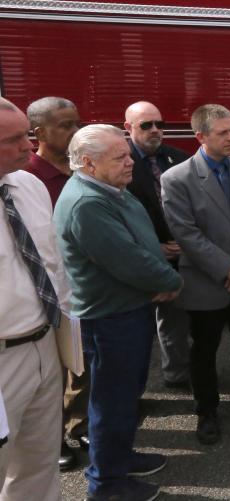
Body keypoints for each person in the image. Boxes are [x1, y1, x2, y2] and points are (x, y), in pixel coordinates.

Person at [55, 123, 182, 501]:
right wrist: (170, 281)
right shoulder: (87, 203)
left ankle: (120, 458)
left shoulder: (110, 188)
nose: (131, 162)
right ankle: (107, 484)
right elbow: (129, 260)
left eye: (128, 154)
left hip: (129, 309)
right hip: (109, 319)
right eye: (120, 157)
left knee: (126, 396)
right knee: (111, 402)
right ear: (89, 165)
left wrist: (157, 275)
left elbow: (141, 245)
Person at [161, 104, 230, 445]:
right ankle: (206, 410)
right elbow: (186, 234)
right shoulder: (177, 178)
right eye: (223, 133)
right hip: (207, 282)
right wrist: (229, 268)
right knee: (205, 348)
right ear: (200, 136)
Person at [0, 97, 72, 500]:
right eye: (13, 140)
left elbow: (51, 263)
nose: (29, 147)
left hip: (44, 345)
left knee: (39, 464)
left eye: (26, 135)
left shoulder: (29, 185)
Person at [22, 96, 86, 472]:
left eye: (77, 122)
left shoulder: (81, 170)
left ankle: (78, 426)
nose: (75, 131)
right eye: (66, 125)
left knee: (80, 366)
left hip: (82, 288)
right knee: (53, 375)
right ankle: (55, 436)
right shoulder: (30, 179)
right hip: (48, 295)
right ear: (39, 133)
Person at [123, 101, 192, 394]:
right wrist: (155, 248)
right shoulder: (118, 162)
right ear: (128, 128)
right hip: (139, 260)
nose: (155, 131)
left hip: (180, 255)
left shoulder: (179, 158)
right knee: (135, 332)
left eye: (159, 124)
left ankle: (177, 375)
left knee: (174, 320)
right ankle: (132, 392)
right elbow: (120, 218)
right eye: (146, 125)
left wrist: (186, 244)